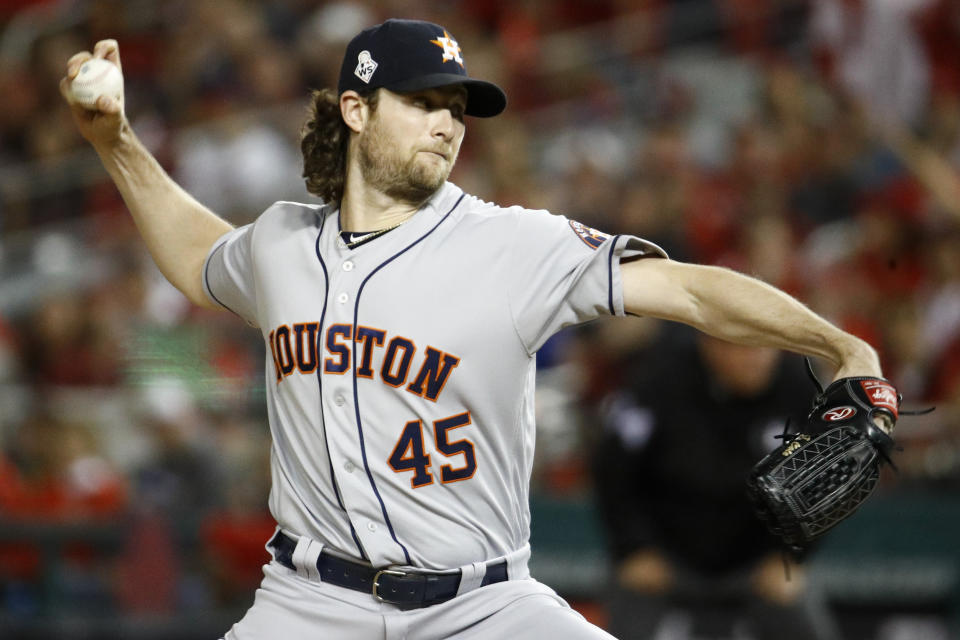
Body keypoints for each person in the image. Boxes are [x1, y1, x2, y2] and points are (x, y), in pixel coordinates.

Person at [60, 18, 888, 640]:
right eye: (422, 103)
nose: (448, 123)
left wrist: (837, 346)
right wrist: (118, 144)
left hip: (485, 606)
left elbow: (691, 292)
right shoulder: (281, 245)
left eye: (456, 107)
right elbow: (200, 254)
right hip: (307, 605)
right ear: (355, 108)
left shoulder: (511, 243)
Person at [592, 326, 839, 639]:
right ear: (712, 346)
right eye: (746, 349)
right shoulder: (661, 378)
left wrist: (791, 556)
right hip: (666, 554)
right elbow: (612, 469)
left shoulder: (800, 387)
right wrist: (633, 548)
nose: (759, 360)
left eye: (768, 348)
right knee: (628, 608)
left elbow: (825, 481)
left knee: (802, 614)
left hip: (757, 559)